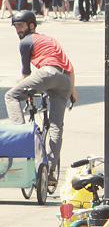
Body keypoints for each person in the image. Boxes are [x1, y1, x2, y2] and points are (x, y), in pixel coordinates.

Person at [5, 10, 76, 183]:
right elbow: (70, 67)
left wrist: (28, 93)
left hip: (47, 73)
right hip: (65, 80)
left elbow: (26, 75)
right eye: (16, 27)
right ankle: (50, 172)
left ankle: (20, 138)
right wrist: (73, 92)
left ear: (32, 25)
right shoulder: (49, 40)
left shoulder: (26, 42)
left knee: (11, 96)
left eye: (21, 26)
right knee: (56, 126)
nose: (18, 30)